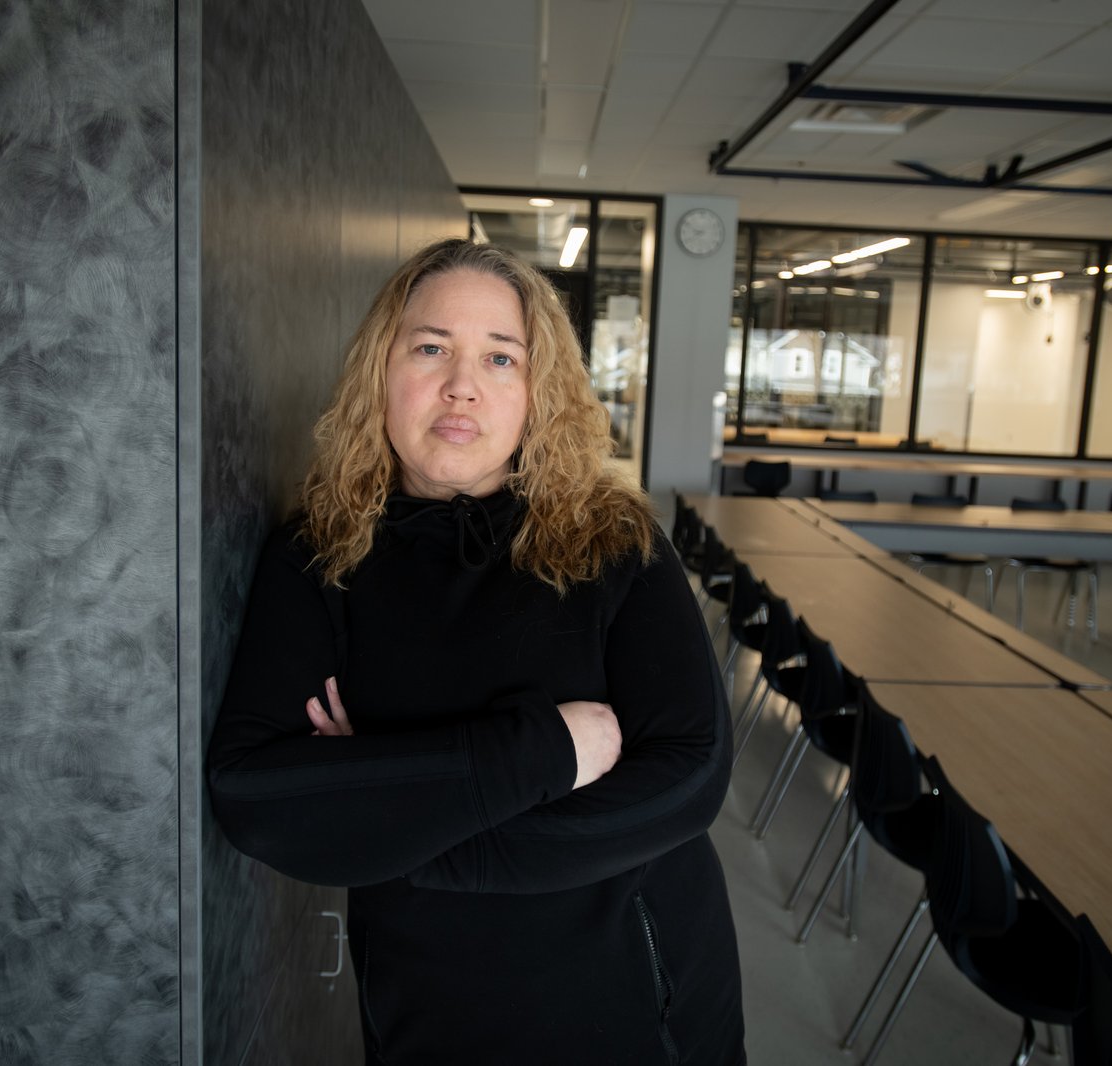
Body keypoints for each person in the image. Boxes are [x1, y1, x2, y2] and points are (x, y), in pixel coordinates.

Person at [206, 237, 745, 1064]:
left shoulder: (613, 541)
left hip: (638, 1000)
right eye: (431, 348)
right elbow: (255, 795)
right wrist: (547, 752)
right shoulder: (318, 555)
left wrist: (393, 808)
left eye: (501, 357)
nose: (462, 384)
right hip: (427, 1004)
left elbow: (690, 775)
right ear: (380, 372)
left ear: (538, 393)